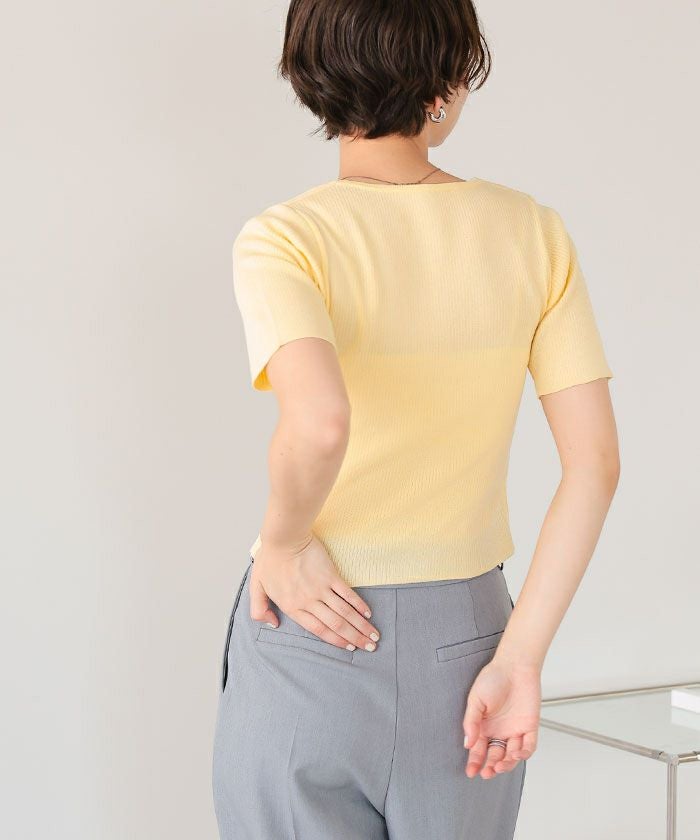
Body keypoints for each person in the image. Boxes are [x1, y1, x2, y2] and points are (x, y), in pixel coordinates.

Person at [212, 1, 620, 838]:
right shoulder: (532, 233)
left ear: (309, 70)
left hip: (311, 625)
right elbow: (594, 466)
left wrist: (284, 543)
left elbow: (320, 423)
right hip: (468, 649)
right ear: (449, 80)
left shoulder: (286, 239)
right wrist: (520, 657)